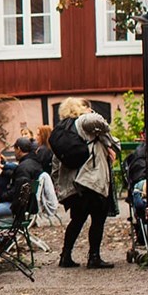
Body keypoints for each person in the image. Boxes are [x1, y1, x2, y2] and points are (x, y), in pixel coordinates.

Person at [53, 97, 119, 269]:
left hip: (76, 185)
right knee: (98, 219)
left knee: (77, 220)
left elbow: (55, 163)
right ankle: (94, 257)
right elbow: (95, 120)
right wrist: (98, 120)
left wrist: (59, 184)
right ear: (79, 108)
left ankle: (65, 256)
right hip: (92, 180)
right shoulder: (83, 122)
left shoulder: (63, 130)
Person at [0, 137, 45, 221]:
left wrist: (1, 196)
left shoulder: (23, 167)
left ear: (19, 149)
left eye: (14, 150)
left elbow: (16, 191)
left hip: (18, 206)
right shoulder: (34, 162)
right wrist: (3, 172)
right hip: (29, 203)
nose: (14, 153)